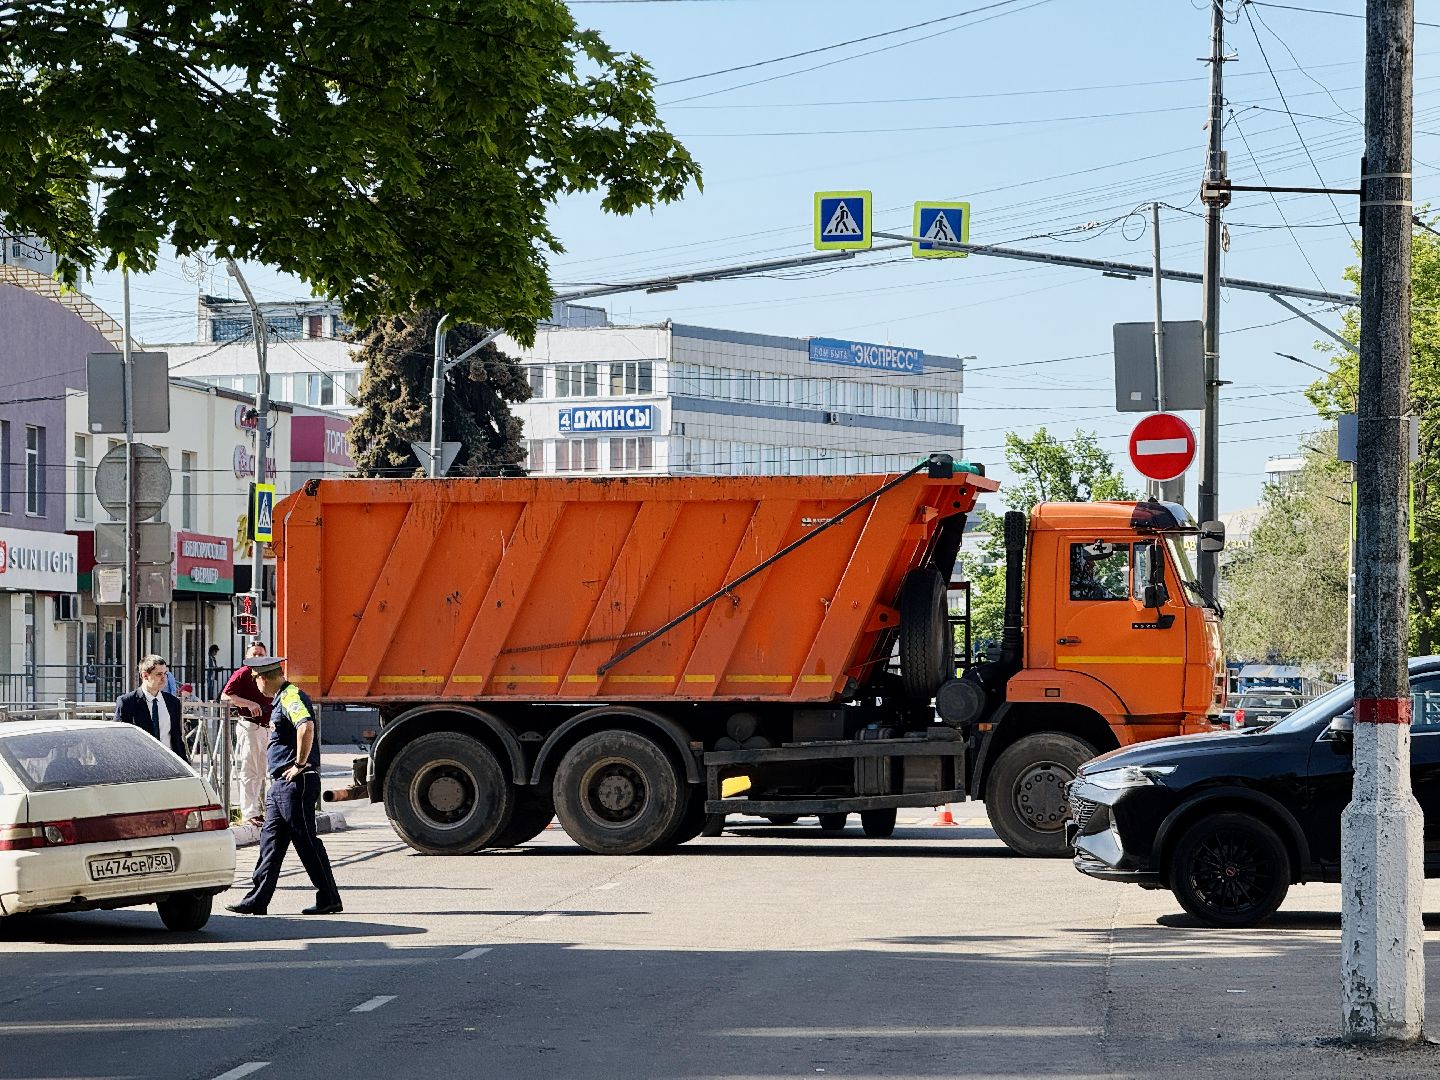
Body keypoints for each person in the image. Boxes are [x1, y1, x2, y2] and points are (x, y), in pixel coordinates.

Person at [226, 655, 343, 917]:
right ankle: (257, 899)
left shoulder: (291, 696)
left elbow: (306, 726)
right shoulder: (281, 698)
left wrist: (300, 764)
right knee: (271, 841)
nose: (256, 687)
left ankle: (329, 897)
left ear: (264, 678)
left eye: (256, 680)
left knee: (305, 841)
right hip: (280, 784)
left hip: (295, 782)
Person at [220, 641, 272, 826]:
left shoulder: (269, 672)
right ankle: (249, 812)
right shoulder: (243, 673)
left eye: (261, 654)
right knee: (249, 770)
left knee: (261, 771)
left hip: (267, 727)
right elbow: (226, 696)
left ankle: (258, 809)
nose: (258, 657)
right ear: (247, 657)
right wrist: (248, 704)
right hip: (249, 726)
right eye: (254, 654)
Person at [113, 655, 186, 758]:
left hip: (170, 765)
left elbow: (177, 738)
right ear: (145, 676)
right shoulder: (127, 702)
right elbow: (119, 740)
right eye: (159, 674)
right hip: (141, 765)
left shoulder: (173, 702)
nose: (164, 678)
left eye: (165, 674)